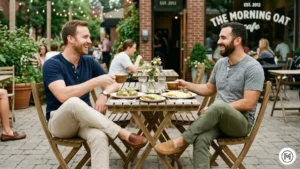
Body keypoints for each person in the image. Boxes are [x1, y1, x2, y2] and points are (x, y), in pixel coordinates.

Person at [154, 22, 264, 169]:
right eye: (219, 37)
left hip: (240, 123)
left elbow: (249, 103)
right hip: (217, 119)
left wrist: (216, 109)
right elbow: (208, 88)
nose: (218, 42)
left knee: (217, 106)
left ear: (237, 41)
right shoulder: (220, 63)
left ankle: (181, 141)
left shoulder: (253, 68)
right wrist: (186, 84)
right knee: (200, 138)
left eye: (223, 38)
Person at [42, 20, 147, 168]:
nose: (89, 41)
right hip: (60, 122)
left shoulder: (88, 61)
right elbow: (63, 96)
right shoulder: (52, 64)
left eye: (89, 37)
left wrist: (104, 94)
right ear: (70, 39)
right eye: (85, 37)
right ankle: (122, 134)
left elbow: (116, 83)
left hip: (84, 120)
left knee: (99, 136)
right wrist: (96, 81)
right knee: (73, 101)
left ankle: (119, 135)